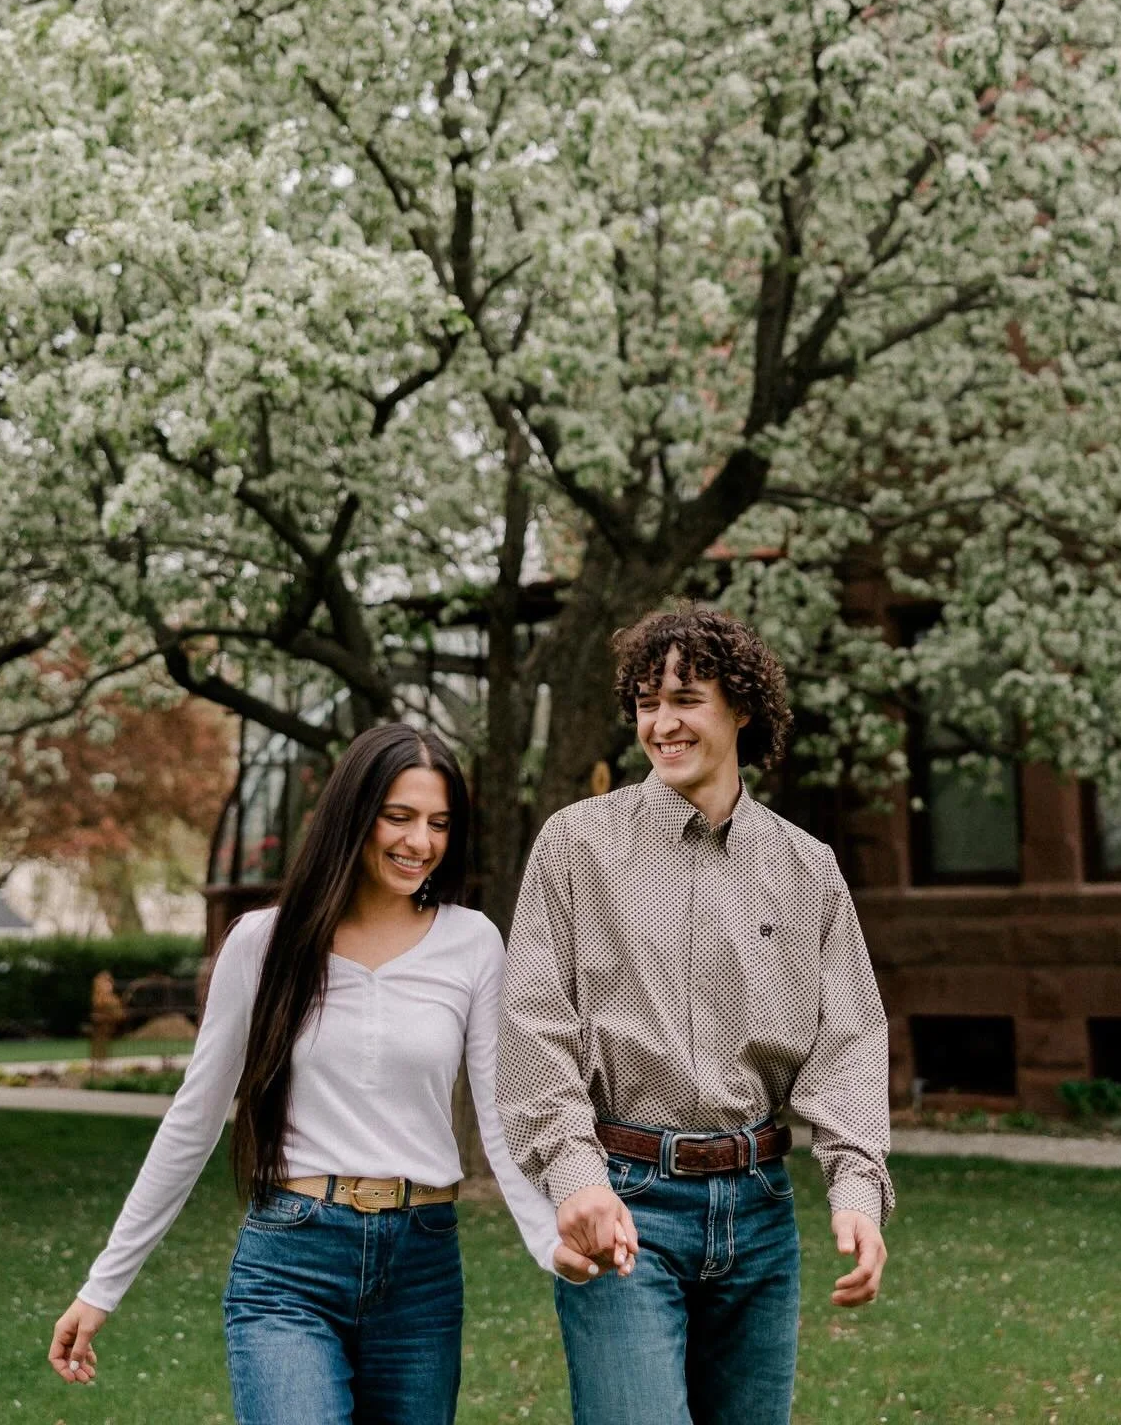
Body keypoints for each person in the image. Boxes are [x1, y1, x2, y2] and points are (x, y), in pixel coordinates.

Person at [48, 722, 612, 1425]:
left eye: (439, 823)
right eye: (399, 817)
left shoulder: (472, 943)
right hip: (291, 1263)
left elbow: (500, 1114)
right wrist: (102, 1287)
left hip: (422, 1271)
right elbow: (193, 1120)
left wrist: (544, 1237)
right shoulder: (263, 943)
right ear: (355, 814)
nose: (420, 842)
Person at [497, 605, 893, 1425]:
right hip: (625, 1201)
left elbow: (847, 1041)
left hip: (759, 1213)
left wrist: (854, 1186)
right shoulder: (576, 847)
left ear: (742, 708)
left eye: (686, 699)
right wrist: (575, 1179)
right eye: (647, 702)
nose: (662, 723)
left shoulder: (806, 867)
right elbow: (536, 1026)